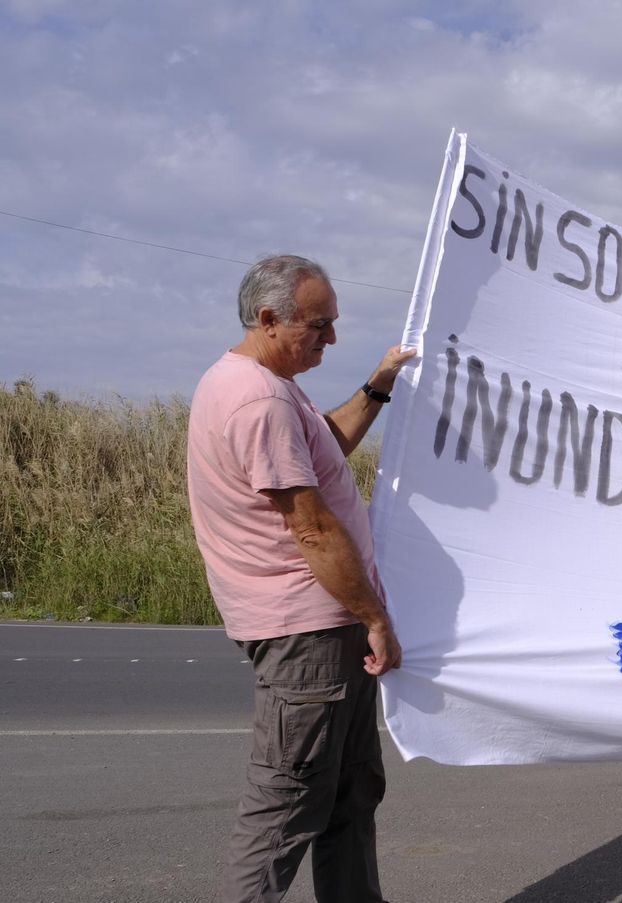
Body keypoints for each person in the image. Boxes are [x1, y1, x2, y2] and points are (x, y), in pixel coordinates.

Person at [187, 254, 415, 902]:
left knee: (349, 793)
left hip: (320, 629)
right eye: (319, 326)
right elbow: (312, 528)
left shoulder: (260, 384)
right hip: (307, 633)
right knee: (284, 810)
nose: (330, 338)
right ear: (268, 318)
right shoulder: (257, 399)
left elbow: (327, 443)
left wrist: (379, 381)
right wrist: (375, 617)